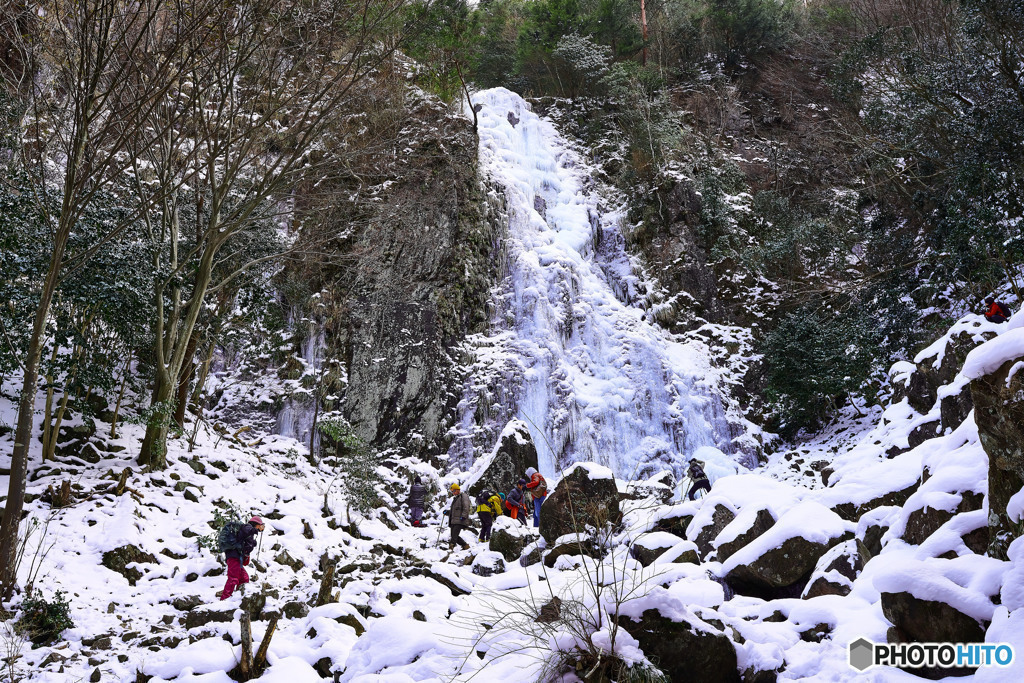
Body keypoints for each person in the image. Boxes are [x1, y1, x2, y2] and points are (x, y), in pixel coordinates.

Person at [217, 515, 265, 600]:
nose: (260, 527)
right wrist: (255, 531)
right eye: (260, 525)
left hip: (237, 557)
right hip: (233, 555)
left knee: (244, 578)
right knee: (233, 578)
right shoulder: (247, 527)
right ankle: (224, 599)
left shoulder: (250, 534)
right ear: (255, 524)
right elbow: (248, 531)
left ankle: (238, 598)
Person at [446, 483, 472, 550]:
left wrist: (463, 516)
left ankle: (451, 548)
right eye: (452, 491)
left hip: (460, 520)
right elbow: (455, 511)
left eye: (454, 491)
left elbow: (466, 506)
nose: (453, 493)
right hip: (454, 520)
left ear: (458, 490)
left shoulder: (463, 496)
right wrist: (447, 512)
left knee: (454, 537)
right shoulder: (456, 499)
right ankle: (465, 545)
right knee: (454, 535)